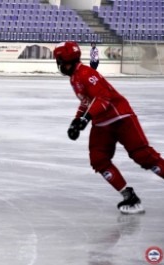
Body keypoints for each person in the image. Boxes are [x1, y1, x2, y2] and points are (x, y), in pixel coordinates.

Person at [53, 41, 164, 214]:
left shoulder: (86, 73)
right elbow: (87, 102)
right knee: (99, 160)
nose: (59, 66)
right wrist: (76, 122)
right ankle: (129, 196)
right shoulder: (75, 77)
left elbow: (103, 97)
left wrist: (86, 119)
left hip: (120, 117)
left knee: (144, 157)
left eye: (60, 62)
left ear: (66, 61)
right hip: (102, 123)